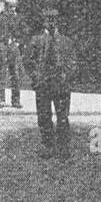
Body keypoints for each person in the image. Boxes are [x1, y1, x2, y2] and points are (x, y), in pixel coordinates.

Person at [23, 8, 77, 158]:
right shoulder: (36, 41)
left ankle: (63, 147)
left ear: (58, 22)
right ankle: (48, 146)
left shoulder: (66, 42)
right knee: (44, 117)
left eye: (54, 19)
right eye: (49, 19)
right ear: (44, 22)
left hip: (61, 85)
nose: (52, 23)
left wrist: (66, 76)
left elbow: (73, 62)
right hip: (43, 84)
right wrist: (36, 77)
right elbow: (27, 61)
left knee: (63, 117)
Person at [0, 0, 24, 109]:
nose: (13, 9)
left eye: (14, 7)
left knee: (15, 74)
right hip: (3, 47)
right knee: (1, 73)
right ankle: (0, 99)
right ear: (6, 7)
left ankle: (16, 100)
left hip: (13, 47)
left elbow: (22, 32)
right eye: (11, 7)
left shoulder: (17, 18)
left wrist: (18, 42)